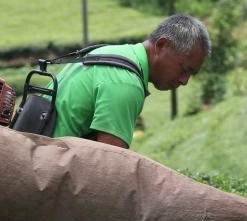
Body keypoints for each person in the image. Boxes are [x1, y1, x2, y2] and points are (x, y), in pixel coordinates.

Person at [52, 14, 210, 148]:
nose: (185, 81)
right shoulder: (127, 83)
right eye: (184, 70)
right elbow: (109, 166)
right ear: (161, 45)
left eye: (191, 74)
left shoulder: (109, 53)